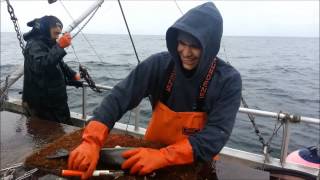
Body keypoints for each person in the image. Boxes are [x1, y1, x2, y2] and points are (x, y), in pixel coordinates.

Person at [68, 2, 242, 179]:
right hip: (150, 157)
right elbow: (119, 97)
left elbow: (216, 134)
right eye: (182, 43)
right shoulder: (158, 64)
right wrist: (91, 140)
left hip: (197, 163)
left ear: (210, 46)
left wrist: (164, 156)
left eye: (195, 46)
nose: (186, 52)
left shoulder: (228, 80)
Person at [22, 15, 81, 125]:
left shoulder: (48, 44)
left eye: (59, 34)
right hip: (43, 106)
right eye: (55, 33)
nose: (57, 37)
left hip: (56, 103)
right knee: (47, 137)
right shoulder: (34, 45)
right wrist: (60, 47)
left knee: (64, 130)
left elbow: (60, 64)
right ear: (45, 30)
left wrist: (73, 75)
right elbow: (41, 65)